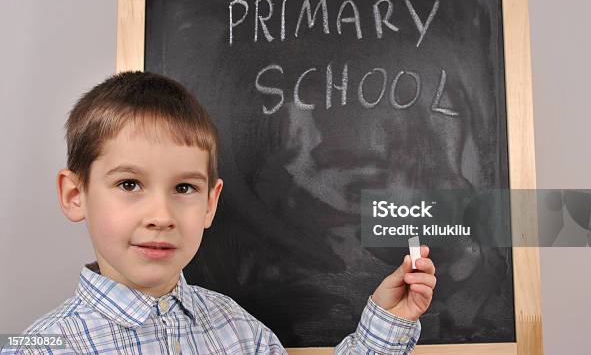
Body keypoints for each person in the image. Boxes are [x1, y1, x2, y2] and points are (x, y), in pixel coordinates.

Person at [1, 71, 436, 354]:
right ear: (75, 194)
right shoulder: (39, 346)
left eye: (184, 188)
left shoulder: (238, 330)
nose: (161, 215)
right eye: (129, 184)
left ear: (210, 202)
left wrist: (387, 323)